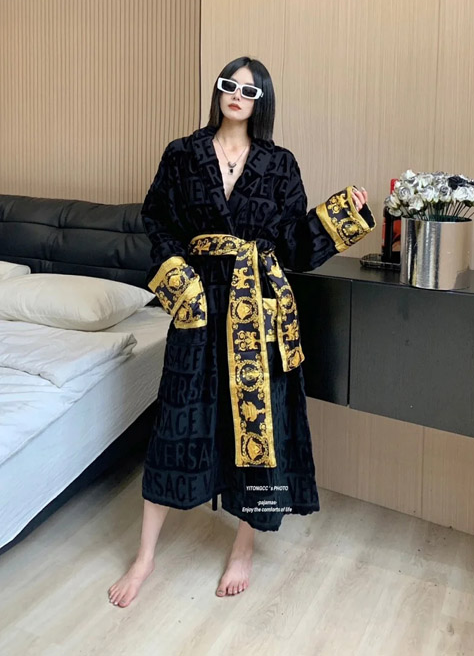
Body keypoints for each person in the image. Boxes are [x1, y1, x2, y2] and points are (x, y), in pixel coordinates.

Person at [108, 56, 375, 607]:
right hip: (199, 302)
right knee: (177, 421)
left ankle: (244, 544)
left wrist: (343, 214)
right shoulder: (182, 154)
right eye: (229, 84)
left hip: (258, 308)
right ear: (218, 91)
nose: (237, 95)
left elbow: (295, 244)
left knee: (260, 425)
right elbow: (156, 221)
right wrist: (180, 283)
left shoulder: (279, 163)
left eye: (249, 90)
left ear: (262, 101)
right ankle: (145, 556)